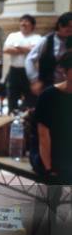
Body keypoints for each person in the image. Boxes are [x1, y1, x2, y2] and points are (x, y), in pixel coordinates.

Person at [35, 51, 72, 182]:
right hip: (52, 156)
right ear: (65, 72)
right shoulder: (48, 96)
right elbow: (43, 136)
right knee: (50, 197)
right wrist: (50, 169)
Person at [26, 11, 72, 96]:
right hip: (49, 85)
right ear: (60, 25)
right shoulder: (46, 40)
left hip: (67, 86)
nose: (71, 30)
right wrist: (34, 80)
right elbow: (30, 59)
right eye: (69, 27)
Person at [3, 14, 41, 110]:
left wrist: (17, 47)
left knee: (30, 98)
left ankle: (27, 120)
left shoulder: (37, 38)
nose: (23, 23)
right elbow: (6, 49)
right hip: (14, 71)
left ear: (32, 25)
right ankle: (11, 119)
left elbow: (35, 51)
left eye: (26, 21)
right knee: (12, 97)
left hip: (29, 73)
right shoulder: (13, 36)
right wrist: (26, 49)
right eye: (22, 21)